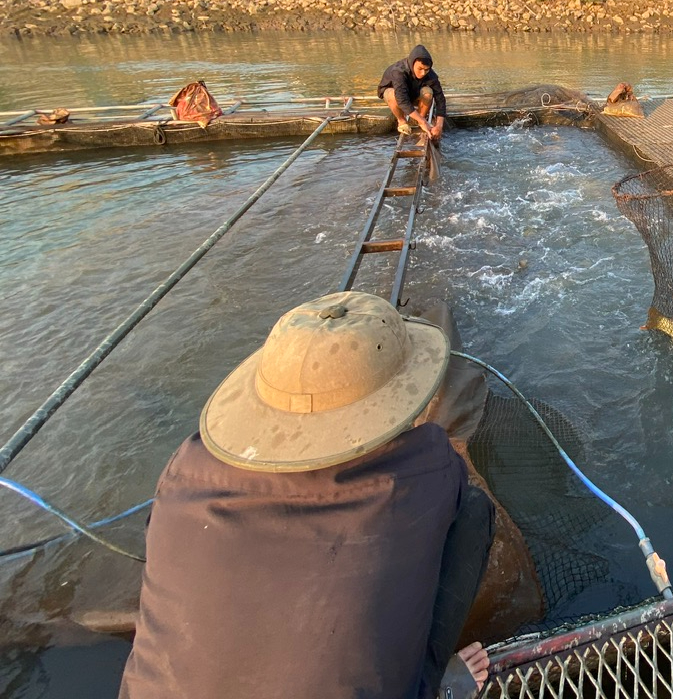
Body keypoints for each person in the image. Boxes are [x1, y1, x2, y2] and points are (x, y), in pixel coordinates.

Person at [119, 291, 495, 699]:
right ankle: (441, 683)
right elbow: (456, 491)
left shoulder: (185, 469)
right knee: (475, 511)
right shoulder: (427, 461)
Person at [380, 44, 447, 141]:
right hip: (396, 96)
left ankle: (419, 119)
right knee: (392, 94)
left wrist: (439, 125)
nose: (423, 73)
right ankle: (401, 120)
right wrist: (424, 122)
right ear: (412, 63)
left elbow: (440, 99)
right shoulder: (399, 72)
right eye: (420, 69)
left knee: (428, 92)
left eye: (426, 69)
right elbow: (402, 100)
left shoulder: (431, 75)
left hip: (414, 93)